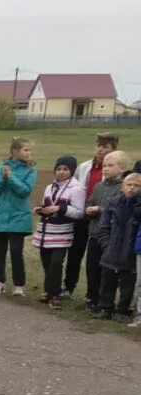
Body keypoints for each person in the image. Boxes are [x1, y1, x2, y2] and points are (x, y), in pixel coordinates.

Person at [68, 132, 119, 297]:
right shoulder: (84, 167)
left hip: (101, 221)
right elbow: (74, 187)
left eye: (106, 147)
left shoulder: (114, 170)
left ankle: (94, 295)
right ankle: (68, 287)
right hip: (81, 216)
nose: (101, 150)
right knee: (74, 254)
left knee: (95, 260)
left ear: (113, 149)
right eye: (99, 146)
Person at [0, 138, 37, 296]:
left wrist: (11, 178)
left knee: (16, 250)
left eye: (29, 150)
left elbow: (25, 191)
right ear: (14, 151)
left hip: (19, 215)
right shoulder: (1, 168)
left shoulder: (31, 169)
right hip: (0, 215)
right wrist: (3, 179)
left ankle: (19, 285)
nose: (28, 153)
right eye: (25, 150)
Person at [33, 156, 86, 309]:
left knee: (56, 263)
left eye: (65, 169)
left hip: (62, 232)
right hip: (46, 231)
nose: (61, 172)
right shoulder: (50, 187)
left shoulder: (77, 189)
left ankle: (55, 294)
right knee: (47, 263)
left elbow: (78, 213)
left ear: (72, 171)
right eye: (59, 169)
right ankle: (49, 291)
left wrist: (61, 208)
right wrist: (41, 210)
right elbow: (47, 205)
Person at [83, 150, 129, 313]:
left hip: (112, 237)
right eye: (104, 165)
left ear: (122, 168)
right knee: (92, 268)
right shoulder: (98, 186)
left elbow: (118, 209)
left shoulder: (123, 187)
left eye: (111, 165)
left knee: (107, 272)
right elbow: (89, 202)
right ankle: (91, 298)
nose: (106, 169)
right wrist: (88, 209)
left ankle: (105, 303)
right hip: (94, 233)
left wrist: (100, 210)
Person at [93, 168, 141, 322]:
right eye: (129, 184)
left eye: (136, 185)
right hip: (111, 251)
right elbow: (103, 228)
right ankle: (105, 307)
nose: (132, 188)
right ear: (122, 186)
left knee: (128, 286)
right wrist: (107, 245)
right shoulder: (113, 204)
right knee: (107, 282)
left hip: (130, 254)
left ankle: (123, 310)